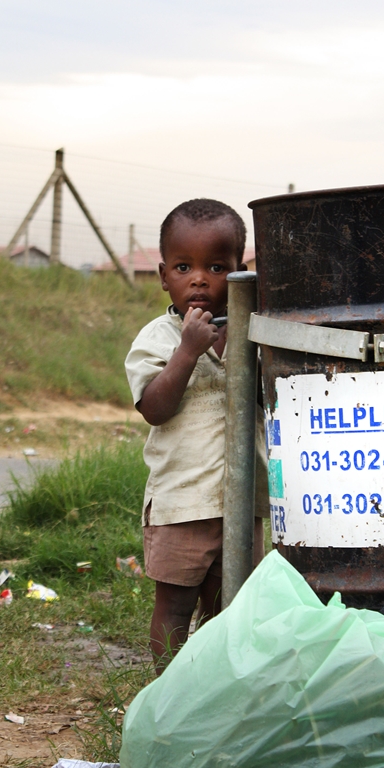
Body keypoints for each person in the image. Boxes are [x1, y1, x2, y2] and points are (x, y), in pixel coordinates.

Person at [125, 199, 268, 674]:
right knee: (176, 607)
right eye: (184, 267)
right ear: (164, 276)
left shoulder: (253, 334)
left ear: (239, 272)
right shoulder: (158, 338)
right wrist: (188, 351)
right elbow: (155, 408)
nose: (200, 280)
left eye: (216, 267)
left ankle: (218, 689)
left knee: (230, 611)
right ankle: (169, 690)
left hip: (242, 502)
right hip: (181, 503)